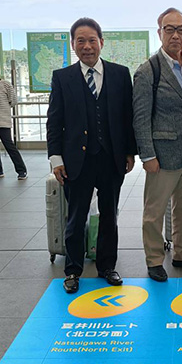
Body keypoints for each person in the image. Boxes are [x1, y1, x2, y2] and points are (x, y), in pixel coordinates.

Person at [47, 17, 137, 294]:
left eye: (92, 40)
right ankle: (73, 270)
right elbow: (54, 121)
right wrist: (56, 158)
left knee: (109, 216)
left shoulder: (120, 74)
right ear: (73, 44)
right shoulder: (62, 78)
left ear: (101, 42)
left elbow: (127, 117)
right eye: (81, 41)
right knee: (76, 217)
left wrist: (130, 151)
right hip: (77, 160)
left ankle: (107, 266)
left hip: (111, 158)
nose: (87, 46)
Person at [133, 8, 182, 282]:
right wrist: (147, 155)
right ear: (159, 33)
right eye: (169, 29)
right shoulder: (148, 70)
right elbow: (140, 118)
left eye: (181, 29)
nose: (176, 35)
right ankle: (154, 260)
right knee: (154, 212)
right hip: (162, 155)